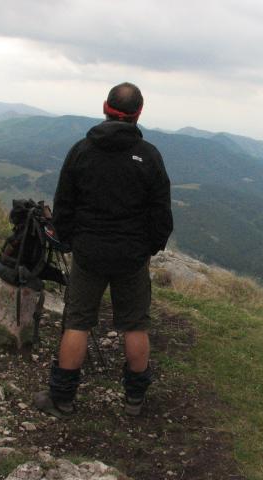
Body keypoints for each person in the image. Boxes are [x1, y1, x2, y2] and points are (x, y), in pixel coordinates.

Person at [34, 82, 173, 417]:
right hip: (131, 255)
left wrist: (69, 240)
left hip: (89, 252)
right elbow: (161, 213)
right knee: (135, 324)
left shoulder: (82, 151)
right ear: (139, 113)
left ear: (105, 107)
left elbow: (63, 205)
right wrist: (149, 248)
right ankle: (135, 399)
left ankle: (62, 398)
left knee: (78, 322)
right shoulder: (149, 156)